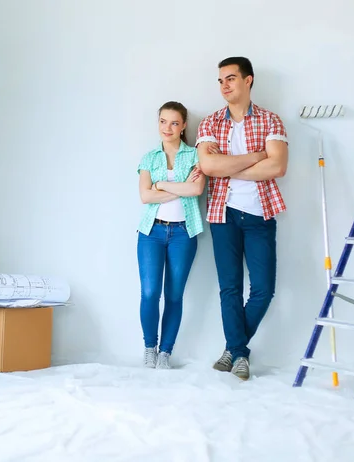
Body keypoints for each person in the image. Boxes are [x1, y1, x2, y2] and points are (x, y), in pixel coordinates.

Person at [195, 57, 288, 380]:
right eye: (220, 80)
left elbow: (277, 167)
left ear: (248, 81)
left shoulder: (270, 121)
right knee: (229, 288)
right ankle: (239, 353)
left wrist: (228, 164)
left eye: (231, 79)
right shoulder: (210, 123)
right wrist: (254, 157)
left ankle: (235, 350)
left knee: (263, 289)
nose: (224, 86)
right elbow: (208, 167)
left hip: (260, 213)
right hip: (223, 214)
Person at [137, 101, 206, 369]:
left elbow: (197, 189)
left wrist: (163, 184)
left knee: (174, 295)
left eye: (174, 123)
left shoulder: (194, 156)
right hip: (151, 231)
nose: (168, 128)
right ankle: (149, 348)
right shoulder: (149, 157)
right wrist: (181, 187)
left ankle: (165, 352)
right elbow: (145, 196)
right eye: (163, 122)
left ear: (184, 125)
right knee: (150, 292)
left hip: (182, 233)